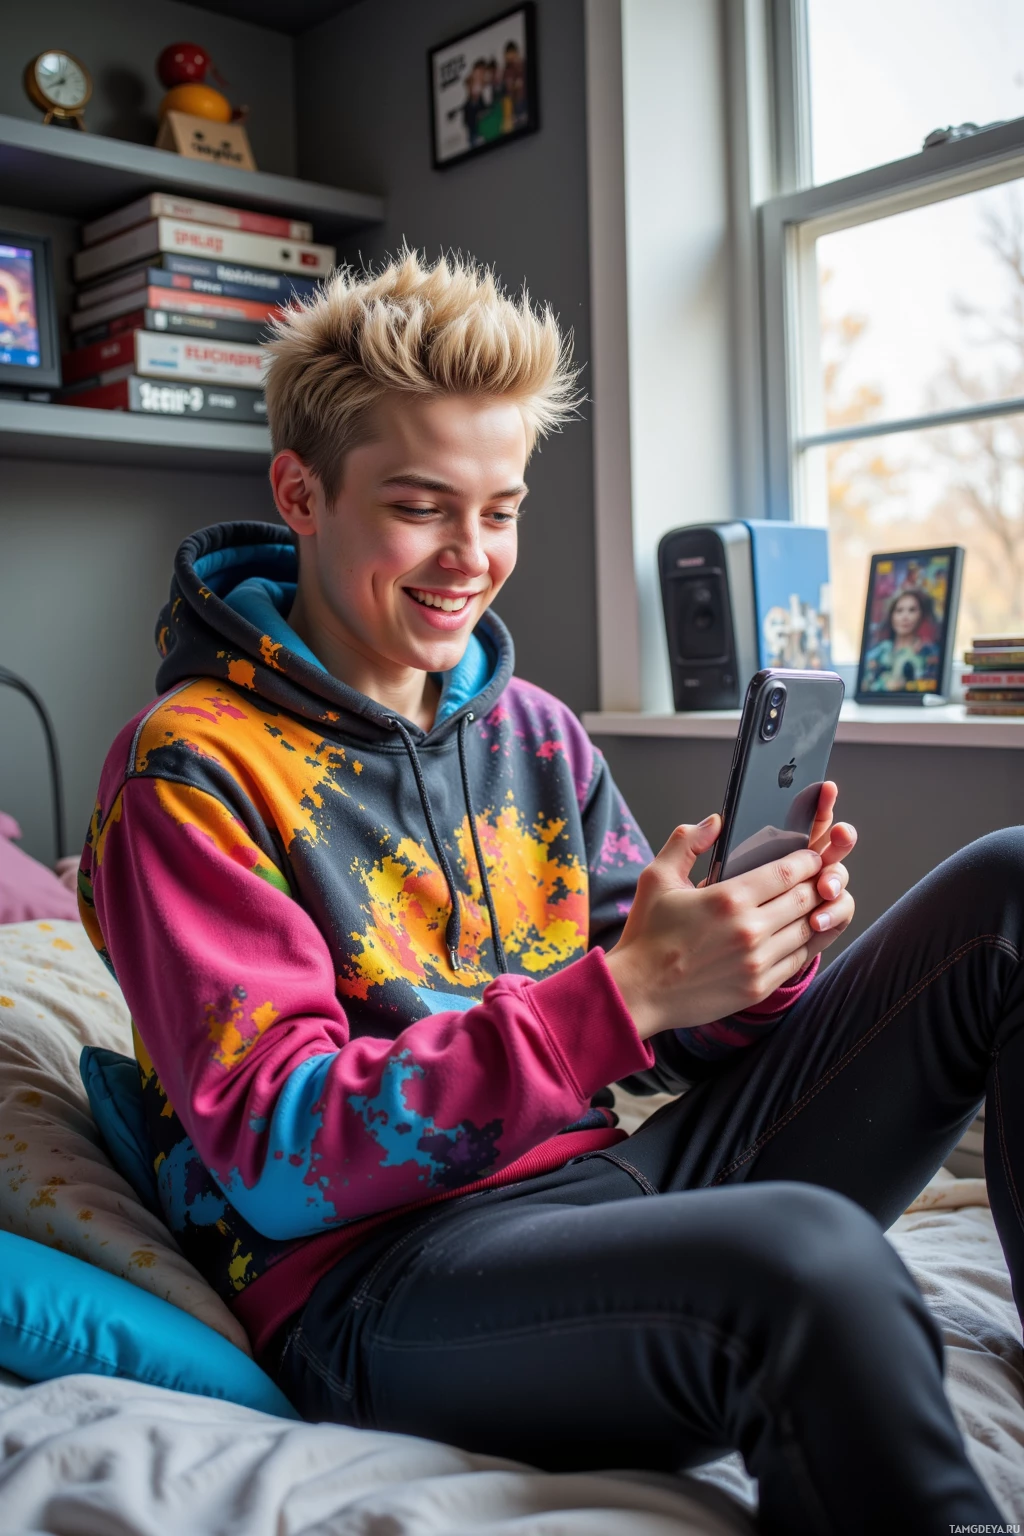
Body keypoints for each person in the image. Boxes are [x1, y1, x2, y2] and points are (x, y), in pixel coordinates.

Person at [80, 251, 1020, 1536]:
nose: (472, 558)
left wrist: (750, 955)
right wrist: (622, 994)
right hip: (384, 1279)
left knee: (1010, 887)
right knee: (812, 1262)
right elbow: (279, 1153)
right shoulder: (187, 769)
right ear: (301, 494)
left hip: (609, 1183)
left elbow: (680, 1038)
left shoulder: (529, 729)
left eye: (502, 509)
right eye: (421, 508)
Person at [862, 586, 940, 692]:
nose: (905, 617)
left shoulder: (929, 653)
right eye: (899, 611)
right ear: (891, 615)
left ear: (921, 615)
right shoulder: (880, 651)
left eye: (912, 610)